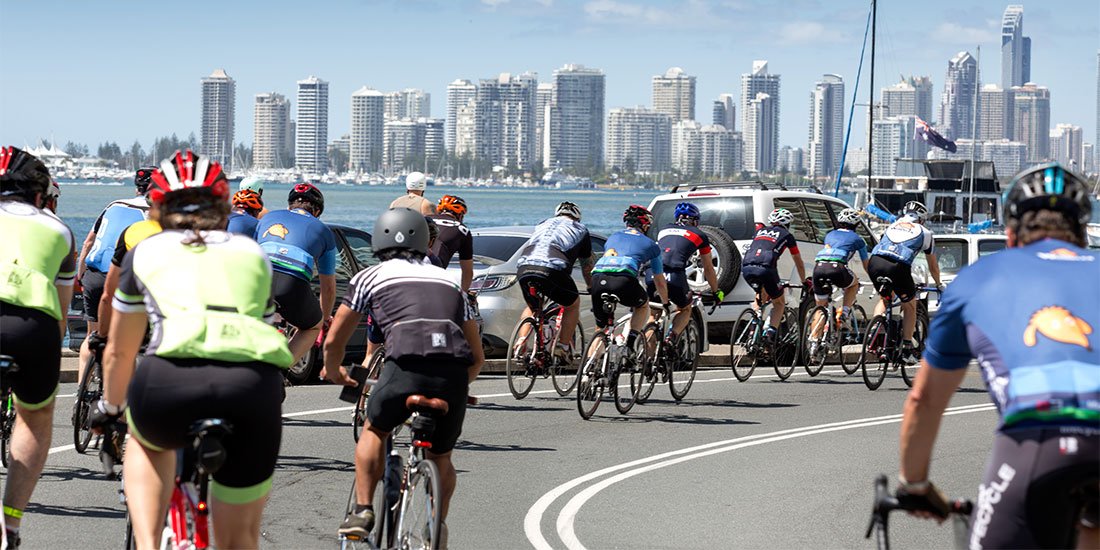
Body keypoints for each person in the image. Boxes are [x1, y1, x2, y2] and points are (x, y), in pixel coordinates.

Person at [88, 149, 292, 550]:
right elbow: (268, 328)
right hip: (251, 388)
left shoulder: (145, 252)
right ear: (224, 206)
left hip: (169, 381)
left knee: (145, 445)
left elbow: (120, 352)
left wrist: (110, 409)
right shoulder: (253, 254)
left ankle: (149, 543)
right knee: (239, 538)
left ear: (156, 208)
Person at [897, 163, 1099, 549]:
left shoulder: (980, 278)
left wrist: (916, 484)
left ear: (1009, 233)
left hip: (1039, 446)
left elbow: (923, 401)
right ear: (1082, 236)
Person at [321, 208, 483, 547]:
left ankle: (363, 510)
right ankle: (436, 526)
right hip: (451, 375)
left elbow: (336, 338)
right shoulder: (451, 282)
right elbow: (477, 357)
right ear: (426, 243)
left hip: (403, 368)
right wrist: (458, 387)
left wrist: (335, 369)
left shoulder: (370, 276)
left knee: (375, 428)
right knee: (441, 456)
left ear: (379, 238)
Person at [0, 147, 76, 546]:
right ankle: (10, 523)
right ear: (38, 194)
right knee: (35, 417)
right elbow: (62, 315)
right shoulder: (57, 229)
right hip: (32, 326)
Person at [75, 167, 153, 372]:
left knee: (91, 337)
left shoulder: (113, 205)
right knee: (132, 339)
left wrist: (80, 274)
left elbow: (88, 242)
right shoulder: (152, 211)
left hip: (93, 276)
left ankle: (80, 393)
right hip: (122, 277)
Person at [255, 183, 338, 364]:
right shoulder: (324, 231)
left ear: (289, 206)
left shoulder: (268, 217)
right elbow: (329, 288)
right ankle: (279, 369)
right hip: (291, 283)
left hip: (258, 277)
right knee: (311, 327)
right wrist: (323, 320)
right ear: (316, 212)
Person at [515, 201, 594, 362]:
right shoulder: (581, 229)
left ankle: (520, 341)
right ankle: (563, 346)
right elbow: (587, 265)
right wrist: (591, 286)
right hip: (552, 268)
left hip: (524, 266)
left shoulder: (543, 223)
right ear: (577, 217)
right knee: (572, 305)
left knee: (533, 307)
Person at [867, 200, 943, 364]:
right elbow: (933, 266)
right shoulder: (925, 232)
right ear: (922, 219)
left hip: (874, 262)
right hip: (898, 266)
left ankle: (875, 330)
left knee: (885, 298)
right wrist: (938, 284)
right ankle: (907, 348)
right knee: (910, 306)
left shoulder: (892, 225)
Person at [591, 205, 669, 355]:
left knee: (600, 329)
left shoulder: (613, 237)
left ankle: (588, 370)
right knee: (642, 305)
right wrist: (665, 303)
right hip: (624, 279)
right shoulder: (651, 245)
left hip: (598, 278)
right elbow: (659, 280)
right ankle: (630, 345)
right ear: (645, 226)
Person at [648, 202, 723, 343]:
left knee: (654, 315)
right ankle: (671, 337)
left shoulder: (663, 230)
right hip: (674, 274)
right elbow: (708, 268)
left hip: (652, 273)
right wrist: (715, 291)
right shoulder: (700, 235)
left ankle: (645, 358)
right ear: (694, 220)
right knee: (685, 309)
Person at [740, 208, 808, 343]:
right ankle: (769, 335)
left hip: (746, 268)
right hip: (766, 269)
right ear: (787, 224)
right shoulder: (787, 235)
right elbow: (798, 262)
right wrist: (804, 281)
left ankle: (752, 330)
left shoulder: (759, 231)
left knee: (760, 296)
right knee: (779, 303)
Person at [808, 207, 870, 344]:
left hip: (818, 268)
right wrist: (874, 280)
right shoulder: (858, 240)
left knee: (820, 307)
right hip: (838, 268)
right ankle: (845, 313)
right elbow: (866, 265)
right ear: (856, 225)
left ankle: (813, 342)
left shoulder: (829, 235)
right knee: (853, 284)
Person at [430, 194, 474, 293]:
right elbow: (467, 271)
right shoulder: (463, 230)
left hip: (407, 267)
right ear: (460, 214)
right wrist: (464, 294)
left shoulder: (425, 218)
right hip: (434, 274)